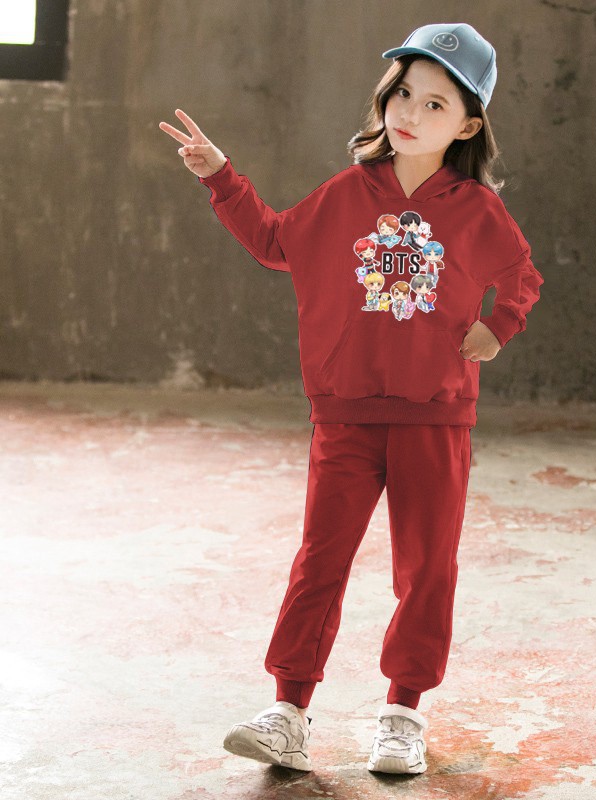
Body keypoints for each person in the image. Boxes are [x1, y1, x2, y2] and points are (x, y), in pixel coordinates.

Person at [159, 21, 544, 776]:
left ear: (467, 126)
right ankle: (287, 712)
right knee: (321, 561)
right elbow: (275, 242)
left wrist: (497, 329)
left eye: (435, 104)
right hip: (346, 413)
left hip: (435, 418)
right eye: (403, 93)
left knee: (426, 569)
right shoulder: (347, 193)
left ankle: (402, 714)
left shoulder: (476, 209)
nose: (410, 113)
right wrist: (220, 176)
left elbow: (521, 277)